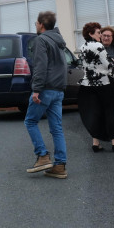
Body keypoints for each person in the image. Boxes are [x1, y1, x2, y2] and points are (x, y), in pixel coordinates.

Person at [24, 11, 69, 178]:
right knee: (56, 128)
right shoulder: (58, 41)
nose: (35, 25)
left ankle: (42, 156)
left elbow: (40, 67)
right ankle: (59, 166)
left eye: (36, 23)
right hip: (58, 90)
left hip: (45, 89)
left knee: (30, 121)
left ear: (42, 24)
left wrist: (36, 89)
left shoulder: (41, 40)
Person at [77, 22, 114, 153]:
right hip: (103, 84)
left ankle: (95, 143)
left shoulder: (83, 47)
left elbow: (85, 65)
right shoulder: (98, 46)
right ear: (90, 34)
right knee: (110, 111)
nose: (100, 35)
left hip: (87, 84)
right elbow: (108, 65)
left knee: (94, 112)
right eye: (98, 33)